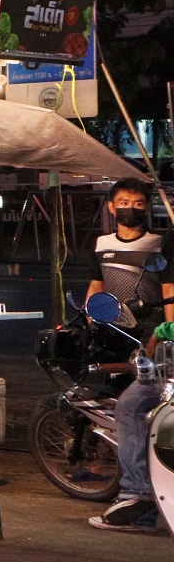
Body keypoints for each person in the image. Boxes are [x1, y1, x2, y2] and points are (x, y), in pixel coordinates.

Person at [84, 179, 174, 531]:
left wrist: (164, 336)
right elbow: (96, 287)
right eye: (124, 202)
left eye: (139, 203)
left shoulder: (160, 245)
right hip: (120, 336)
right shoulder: (101, 245)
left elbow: (168, 296)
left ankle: (137, 497)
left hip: (154, 343)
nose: (131, 208)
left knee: (131, 406)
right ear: (111, 207)